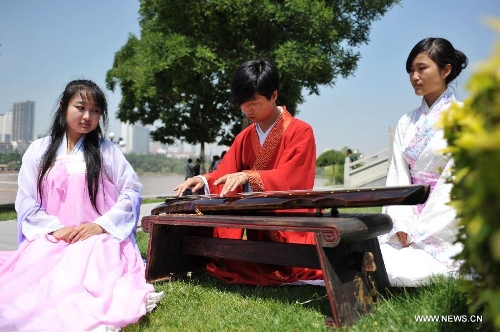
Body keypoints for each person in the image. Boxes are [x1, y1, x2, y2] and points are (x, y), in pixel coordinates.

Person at [0, 80, 163, 330]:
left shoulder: (106, 151)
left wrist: (101, 225)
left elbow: (131, 190)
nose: (88, 116)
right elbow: (26, 200)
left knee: (95, 270)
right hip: (52, 235)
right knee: (32, 281)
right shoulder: (38, 150)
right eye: (80, 107)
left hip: (96, 236)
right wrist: (55, 229)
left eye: (96, 110)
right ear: (64, 107)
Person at [174, 58, 322, 286]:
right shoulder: (244, 137)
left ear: (274, 95)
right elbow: (224, 174)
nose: (247, 109)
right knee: (222, 261)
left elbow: (292, 179)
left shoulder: (300, 131)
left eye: (253, 102)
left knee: (271, 267)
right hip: (257, 227)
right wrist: (202, 180)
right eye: (243, 103)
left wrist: (250, 176)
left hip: (288, 225)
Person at [378, 37, 468, 287]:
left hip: (445, 218)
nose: (414, 76)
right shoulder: (407, 121)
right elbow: (398, 175)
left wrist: (424, 228)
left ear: (446, 69)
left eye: (421, 68)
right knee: (381, 263)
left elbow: (456, 181)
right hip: (409, 213)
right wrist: (402, 224)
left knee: (415, 272)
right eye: (411, 70)